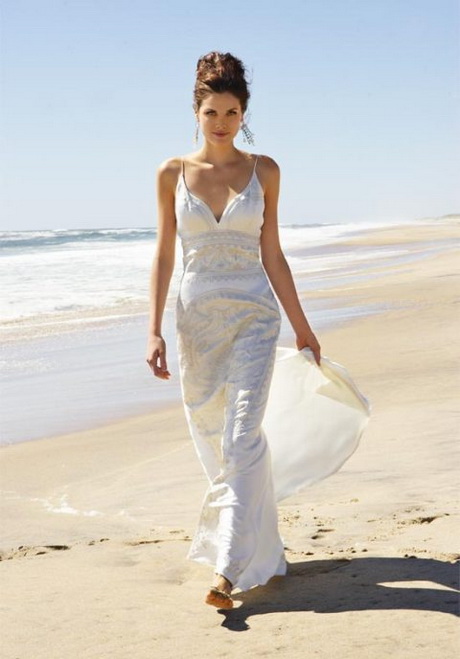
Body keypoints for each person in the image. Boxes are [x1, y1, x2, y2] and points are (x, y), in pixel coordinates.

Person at [145, 51, 321, 610]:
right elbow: (164, 255)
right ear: (196, 111)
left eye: (232, 112)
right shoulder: (172, 173)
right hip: (197, 324)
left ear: (244, 113)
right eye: (212, 112)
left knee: (242, 436)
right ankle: (261, 545)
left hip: (254, 318)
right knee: (217, 443)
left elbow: (273, 254)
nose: (222, 123)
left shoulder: (264, 170)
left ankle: (226, 570)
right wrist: (153, 330)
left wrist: (303, 328)